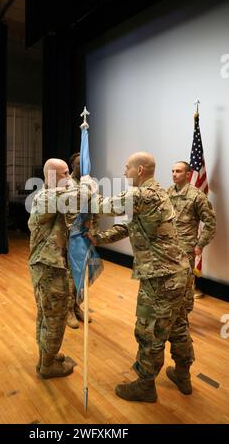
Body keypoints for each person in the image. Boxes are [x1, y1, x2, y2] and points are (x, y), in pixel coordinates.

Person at [86, 152, 194, 402]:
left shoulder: (141, 194)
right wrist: (100, 239)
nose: (124, 172)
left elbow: (102, 206)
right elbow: (128, 226)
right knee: (178, 327)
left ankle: (145, 385)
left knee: (150, 331)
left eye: (127, 168)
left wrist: (89, 187)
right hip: (179, 274)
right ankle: (182, 374)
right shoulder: (159, 193)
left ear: (141, 169)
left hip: (161, 278)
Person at [28, 158, 92, 379]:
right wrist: (87, 184)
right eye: (65, 173)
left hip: (51, 264)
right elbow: (78, 196)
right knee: (54, 317)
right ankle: (48, 366)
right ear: (53, 176)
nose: (69, 176)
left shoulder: (54, 195)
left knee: (46, 315)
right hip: (48, 267)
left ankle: (46, 357)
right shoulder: (46, 197)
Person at [168, 161, 216, 303]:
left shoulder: (197, 196)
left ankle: (183, 320)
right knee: (169, 284)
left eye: (178, 171)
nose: (174, 174)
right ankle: (172, 317)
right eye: (173, 171)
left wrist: (200, 244)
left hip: (185, 248)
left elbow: (210, 223)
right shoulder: (168, 192)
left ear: (188, 174)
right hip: (167, 246)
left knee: (185, 286)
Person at [66, 152, 93, 328]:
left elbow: (94, 208)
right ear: (72, 165)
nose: (81, 166)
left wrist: (93, 231)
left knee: (82, 273)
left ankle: (77, 306)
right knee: (70, 275)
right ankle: (68, 310)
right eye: (78, 163)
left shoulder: (89, 184)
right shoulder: (65, 184)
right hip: (71, 236)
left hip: (85, 234)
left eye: (84, 163)